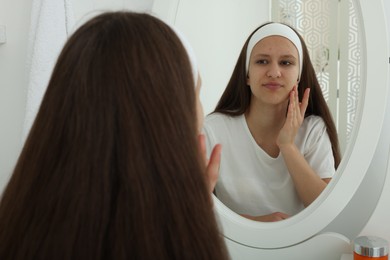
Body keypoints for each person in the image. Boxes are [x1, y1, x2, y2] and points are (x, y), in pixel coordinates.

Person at [0, 11, 229, 260]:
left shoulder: (16, 229)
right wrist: (192, 219)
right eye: (196, 93)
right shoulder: (175, 242)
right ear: (169, 122)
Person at [203, 22, 341, 222]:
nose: (274, 72)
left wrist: (287, 145)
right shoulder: (214, 129)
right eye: (262, 61)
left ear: (299, 77)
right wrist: (254, 224)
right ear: (247, 75)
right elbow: (189, 208)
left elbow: (325, 209)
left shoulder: (313, 130)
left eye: (286, 63)